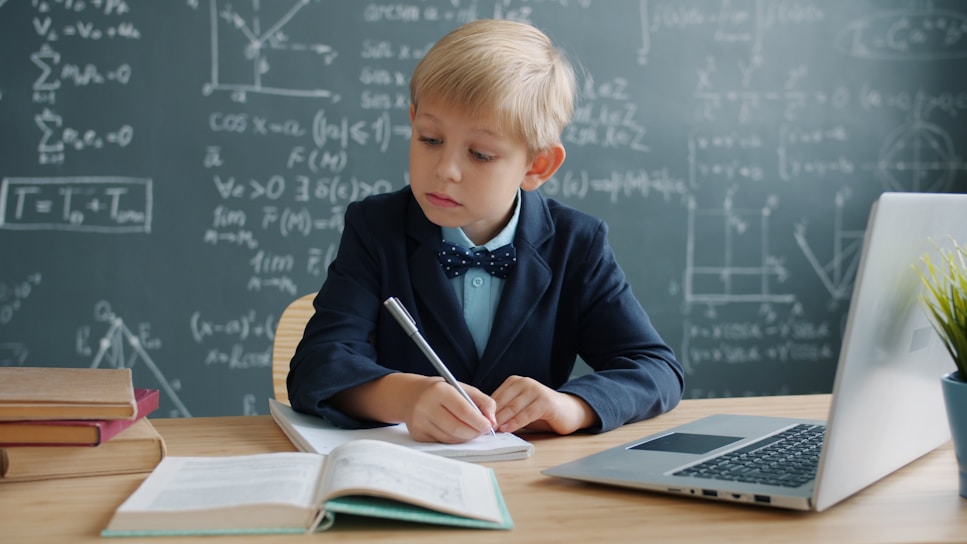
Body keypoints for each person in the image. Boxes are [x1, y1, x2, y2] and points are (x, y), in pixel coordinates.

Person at [288, 19, 683, 444]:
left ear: (537, 166)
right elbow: (317, 365)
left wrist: (570, 406)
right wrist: (406, 397)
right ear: (413, 121)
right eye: (430, 139)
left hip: (532, 479)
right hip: (406, 471)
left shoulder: (577, 243)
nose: (445, 170)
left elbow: (656, 369)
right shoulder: (376, 227)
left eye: (480, 154)